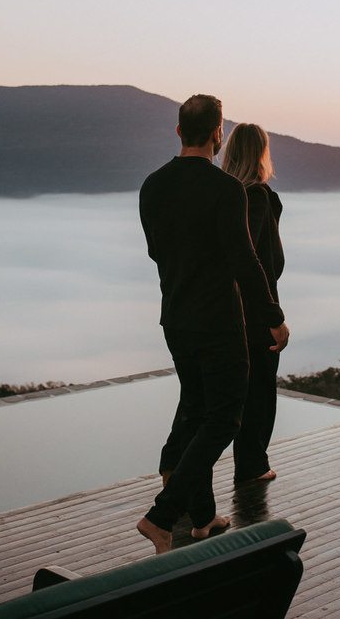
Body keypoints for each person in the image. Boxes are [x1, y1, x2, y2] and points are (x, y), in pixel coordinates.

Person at [136, 95, 289, 555]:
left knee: (196, 411)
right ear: (218, 133)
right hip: (219, 321)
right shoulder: (226, 190)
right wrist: (274, 319)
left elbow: (155, 252)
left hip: (175, 318)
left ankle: (203, 516)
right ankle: (162, 516)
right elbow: (245, 262)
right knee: (224, 418)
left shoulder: (152, 186)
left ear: (179, 131)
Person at [221, 123, 285, 483]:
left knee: (235, 393)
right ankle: (253, 465)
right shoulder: (256, 196)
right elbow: (253, 259)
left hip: (226, 308)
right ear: (261, 153)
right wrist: (273, 316)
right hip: (257, 310)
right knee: (260, 391)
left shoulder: (223, 196)